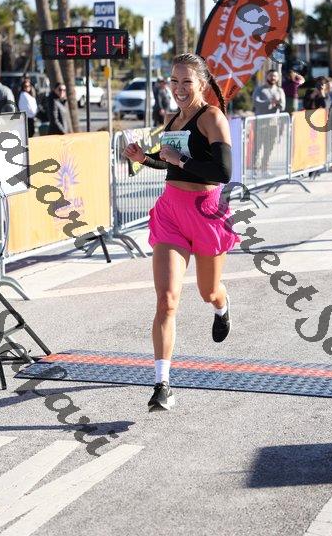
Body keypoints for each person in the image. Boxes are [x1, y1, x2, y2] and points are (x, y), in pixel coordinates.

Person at [123, 53, 240, 412]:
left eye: (186, 81)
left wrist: (181, 161)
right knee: (166, 299)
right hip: (172, 212)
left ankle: (222, 306)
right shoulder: (174, 118)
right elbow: (168, 162)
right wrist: (144, 158)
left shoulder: (212, 117)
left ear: (201, 83)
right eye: (174, 81)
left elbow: (222, 172)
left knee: (208, 292)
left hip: (206, 213)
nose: (178, 88)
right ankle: (162, 385)